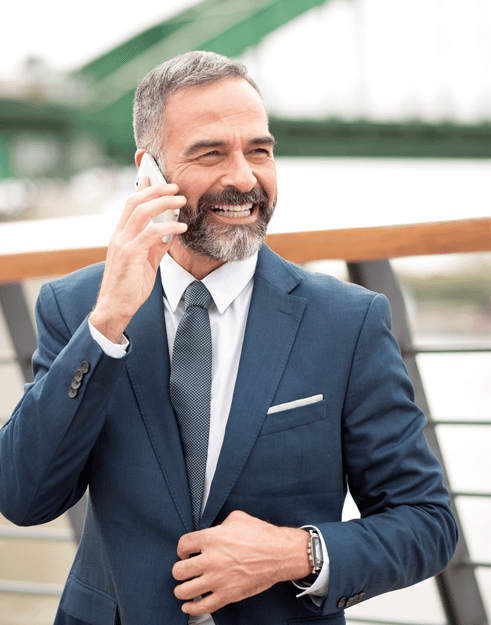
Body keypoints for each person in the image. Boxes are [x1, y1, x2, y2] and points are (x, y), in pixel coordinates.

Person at [0, 51, 457, 625]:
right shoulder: (77, 307)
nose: (244, 177)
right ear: (150, 173)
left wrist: (297, 553)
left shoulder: (347, 321)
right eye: (211, 152)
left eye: (259, 151)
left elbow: (426, 523)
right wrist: (107, 324)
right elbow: (23, 497)